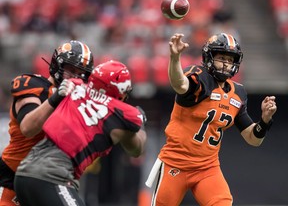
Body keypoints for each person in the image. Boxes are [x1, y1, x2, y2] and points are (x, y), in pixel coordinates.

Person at [145, 33, 277, 206]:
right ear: (209, 57)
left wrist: (265, 121)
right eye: (221, 58)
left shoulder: (238, 93)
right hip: (175, 163)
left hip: (207, 168)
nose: (226, 64)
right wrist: (175, 58)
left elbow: (253, 139)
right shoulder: (200, 77)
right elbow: (180, 84)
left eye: (230, 60)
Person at [14, 60, 147, 206]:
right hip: (52, 177)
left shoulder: (74, 85)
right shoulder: (121, 115)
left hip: (24, 173)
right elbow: (136, 149)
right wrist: (141, 126)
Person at [0, 40, 94, 206]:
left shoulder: (78, 101)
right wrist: (56, 98)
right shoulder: (34, 85)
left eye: (80, 74)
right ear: (57, 65)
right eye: (70, 71)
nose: (75, 78)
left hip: (50, 180)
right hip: (12, 180)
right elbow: (28, 128)